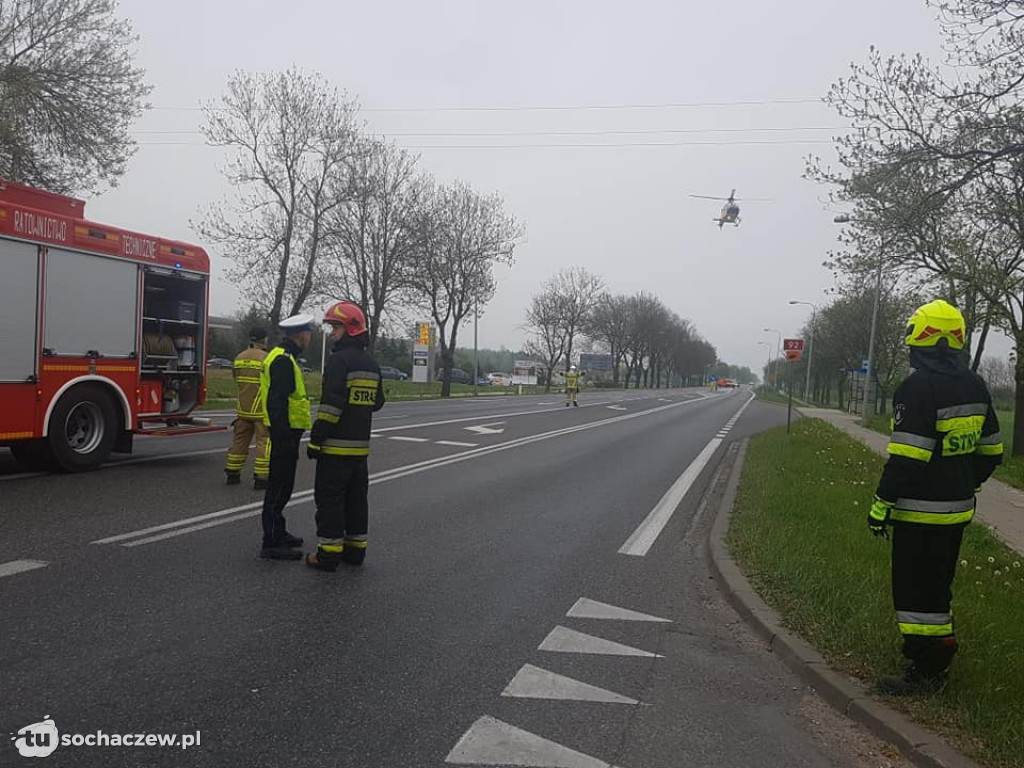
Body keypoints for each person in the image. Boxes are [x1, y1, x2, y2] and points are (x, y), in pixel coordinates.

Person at [870, 299, 1003, 694]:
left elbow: (907, 459)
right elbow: (992, 452)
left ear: (918, 341)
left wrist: (881, 504)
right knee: (937, 586)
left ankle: (927, 671)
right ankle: (937, 650)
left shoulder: (917, 387)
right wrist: (963, 480)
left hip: (919, 515)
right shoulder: (975, 384)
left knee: (914, 593)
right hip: (958, 511)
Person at [305, 301, 385, 572]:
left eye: (336, 327)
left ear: (350, 329)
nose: (332, 333)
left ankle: (327, 555)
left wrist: (316, 439)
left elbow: (330, 407)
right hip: (360, 452)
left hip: (335, 451)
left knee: (330, 502)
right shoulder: (372, 364)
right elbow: (378, 403)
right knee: (356, 503)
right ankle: (355, 551)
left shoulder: (339, 361)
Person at [258, 314, 314, 560]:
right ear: (300, 335)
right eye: (309, 334)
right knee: (278, 488)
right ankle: (270, 542)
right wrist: (282, 439)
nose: (310, 339)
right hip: (284, 434)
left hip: (287, 432)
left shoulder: (286, 357)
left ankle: (278, 533)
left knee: (283, 487)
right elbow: (277, 402)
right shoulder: (282, 360)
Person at [224, 327, 271, 489]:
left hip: (243, 409)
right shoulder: (267, 358)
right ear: (264, 340)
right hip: (260, 410)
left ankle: (232, 473)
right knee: (264, 442)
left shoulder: (239, 357)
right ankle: (261, 478)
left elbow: (236, 379)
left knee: (239, 442)